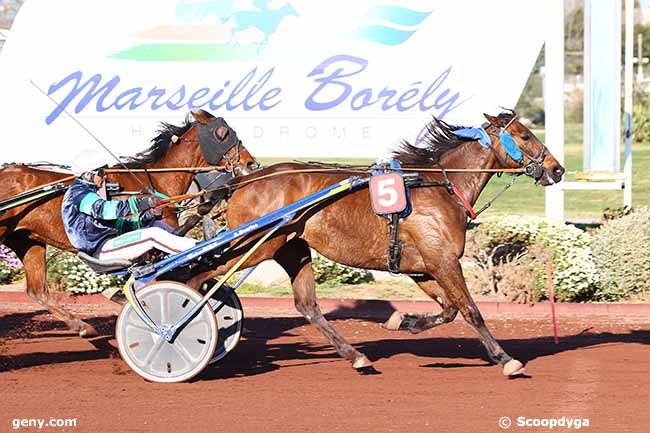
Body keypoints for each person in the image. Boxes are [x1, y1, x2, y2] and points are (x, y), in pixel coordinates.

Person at [62, 150, 196, 262]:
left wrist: (149, 216)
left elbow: (120, 224)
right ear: (88, 174)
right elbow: (108, 210)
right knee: (152, 235)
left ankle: (190, 248)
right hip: (101, 248)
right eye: (101, 172)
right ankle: (197, 250)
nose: (105, 176)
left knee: (157, 225)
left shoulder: (88, 193)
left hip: (109, 242)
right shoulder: (79, 193)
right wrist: (145, 202)